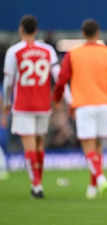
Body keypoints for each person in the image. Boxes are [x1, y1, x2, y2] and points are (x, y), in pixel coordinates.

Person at [53, 19, 107, 199]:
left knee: (88, 147)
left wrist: (57, 98)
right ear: (98, 33)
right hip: (103, 104)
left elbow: (62, 79)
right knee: (98, 146)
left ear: (83, 33)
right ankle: (93, 186)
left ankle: (100, 178)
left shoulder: (73, 53)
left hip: (83, 104)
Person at [2, 15, 61, 198]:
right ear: (36, 30)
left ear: (21, 29)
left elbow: (8, 81)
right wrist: (59, 98)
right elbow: (57, 76)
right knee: (40, 145)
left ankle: (36, 185)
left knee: (29, 146)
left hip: (23, 105)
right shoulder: (48, 49)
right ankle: (39, 181)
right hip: (43, 104)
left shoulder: (14, 51)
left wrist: (6, 101)